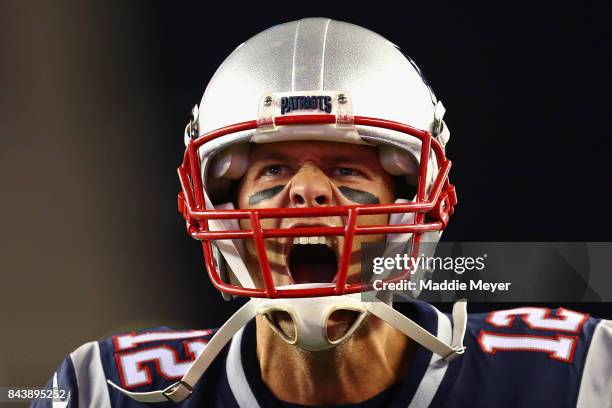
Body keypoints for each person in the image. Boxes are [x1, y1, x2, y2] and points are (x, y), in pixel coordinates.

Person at [35, 18, 611, 408]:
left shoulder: (572, 376)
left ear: (411, 199)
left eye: (346, 171)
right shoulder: (99, 388)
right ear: (221, 206)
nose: (306, 195)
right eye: (273, 172)